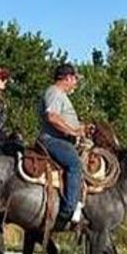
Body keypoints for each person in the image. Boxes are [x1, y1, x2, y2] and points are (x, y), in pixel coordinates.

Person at [38, 63, 87, 229]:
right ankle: (68, 209)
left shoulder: (60, 95)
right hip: (51, 140)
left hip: (60, 139)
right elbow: (52, 117)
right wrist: (73, 132)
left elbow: (62, 119)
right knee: (74, 164)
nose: (76, 83)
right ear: (67, 78)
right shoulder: (54, 92)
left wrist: (81, 128)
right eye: (75, 79)